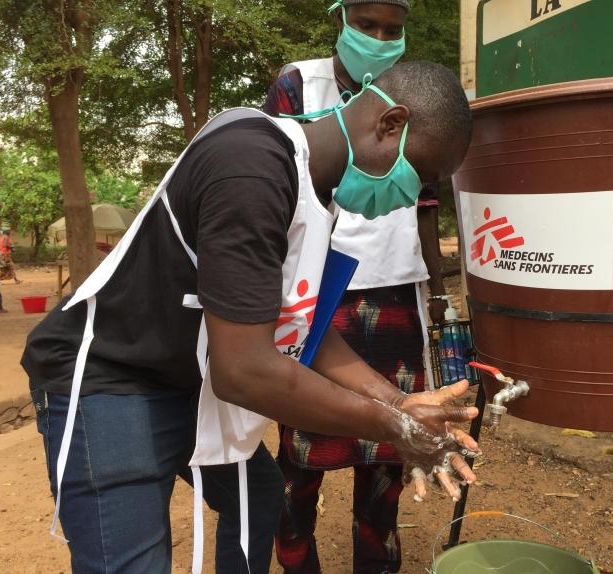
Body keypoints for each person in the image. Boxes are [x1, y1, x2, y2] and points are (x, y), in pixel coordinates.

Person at [21, 61, 476, 574]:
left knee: (257, 497)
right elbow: (245, 371)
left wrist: (398, 400)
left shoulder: (313, 192)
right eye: (421, 176)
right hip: (109, 376)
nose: (414, 197)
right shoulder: (252, 166)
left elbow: (308, 327)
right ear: (389, 124)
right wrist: (394, 425)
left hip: (182, 378)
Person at [263, 2, 451, 572]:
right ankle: (298, 562)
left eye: (392, 29)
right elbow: (279, 182)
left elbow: (425, 203)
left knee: (387, 461)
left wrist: (438, 293)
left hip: (395, 289)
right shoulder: (298, 83)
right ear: (340, 18)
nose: (379, 38)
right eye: (366, 25)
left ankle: (377, 564)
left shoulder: (416, 93)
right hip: (317, 290)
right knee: (302, 456)